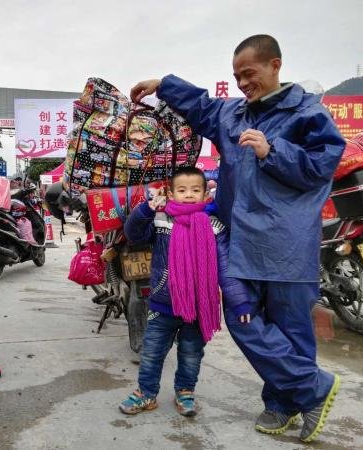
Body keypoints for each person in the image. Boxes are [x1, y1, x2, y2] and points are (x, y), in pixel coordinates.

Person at [130, 35, 345, 442]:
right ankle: (312, 388)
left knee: (292, 330)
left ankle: (283, 406)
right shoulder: (233, 116)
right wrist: (163, 84)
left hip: (286, 243)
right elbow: (203, 106)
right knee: (244, 319)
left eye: (250, 74)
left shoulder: (307, 114)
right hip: (241, 242)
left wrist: (273, 151)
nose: (244, 83)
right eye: (237, 76)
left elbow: (322, 166)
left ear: (275, 65)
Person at [119, 167, 221, 417]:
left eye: (195, 190)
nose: (189, 195)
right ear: (172, 194)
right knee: (152, 353)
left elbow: (224, 262)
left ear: (205, 193)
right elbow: (133, 234)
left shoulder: (213, 224)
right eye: (182, 190)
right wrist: (146, 209)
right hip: (163, 303)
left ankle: (185, 392)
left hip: (198, 306)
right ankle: (146, 393)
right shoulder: (161, 219)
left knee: (191, 354)